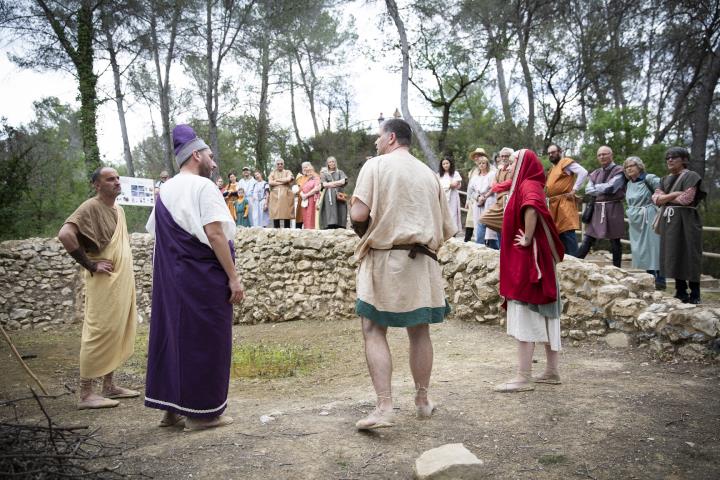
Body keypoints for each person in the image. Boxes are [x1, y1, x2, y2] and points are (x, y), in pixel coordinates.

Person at [350, 118, 457, 430]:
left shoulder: (376, 166)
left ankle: (384, 407)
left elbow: (358, 214)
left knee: (372, 329)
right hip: (422, 261)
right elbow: (447, 229)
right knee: (419, 332)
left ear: (392, 137)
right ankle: (423, 401)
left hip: (385, 257)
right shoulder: (429, 174)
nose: (376, 143)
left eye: (379, 137)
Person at [145, 124, 243, 431]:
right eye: (210, 157)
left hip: (172, 282)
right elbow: (215, 234)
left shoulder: (165, 192)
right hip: (202, 280)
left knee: (173, 338)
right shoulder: (203, 188)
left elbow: (157, 233)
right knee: (206, 341)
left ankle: (171, 409)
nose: (214, 164)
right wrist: (234, 278)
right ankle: (203, 414)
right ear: (196, 155)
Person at [57, 167, 138, 410]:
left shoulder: (119, 210)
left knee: (116, 329)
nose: (116, 182)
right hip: (103, 282)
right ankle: (85, 393)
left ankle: (109, 385)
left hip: (120, 281)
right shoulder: (90, 207)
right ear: (97, 185)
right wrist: (90, 264)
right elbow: (65, 235)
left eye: (117, 178)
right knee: (98, 331)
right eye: (109, 179)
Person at [495, 149, 565, 393]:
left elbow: (532, 207)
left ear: (524, 163)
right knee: (546, 314)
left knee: (527, 312)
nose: (510, 165)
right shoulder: (529, 183)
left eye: (514, 161)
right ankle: (552, 371)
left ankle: (523, 376)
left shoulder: (528, 185)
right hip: (538, 263)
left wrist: (526, 237)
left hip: (530, 263)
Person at [652, 147, 707, 304]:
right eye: (667, 158)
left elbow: (686, 199)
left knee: (690, 254)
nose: (669, 160)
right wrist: (675, 194)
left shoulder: (691, 176)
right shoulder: (664, 179)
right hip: (670, 221)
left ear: (684, 160)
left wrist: (665, 197)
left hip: (688, 220)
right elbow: (655, 199)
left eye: (674, 157)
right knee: (673, 254)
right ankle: (680, 291)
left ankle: (695, 293)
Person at [576, 146, 626, 268]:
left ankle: (617, 269)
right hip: (597, 209)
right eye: (599, 155)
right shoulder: (595, 173)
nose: (602, 157)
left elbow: (612, 188)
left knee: (615, 240)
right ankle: (575, 263)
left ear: (611, 155)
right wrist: (603, 187)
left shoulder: (620, 171)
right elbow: (588, 190)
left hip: (613, 207)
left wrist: (597, 187)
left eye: (604, 154)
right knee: (588, 237)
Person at [624, 157, 665, 290]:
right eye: (627, 167)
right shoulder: (629, 183)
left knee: (654, 246)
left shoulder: (649, 178)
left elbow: (663, 188)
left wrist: (658, 198)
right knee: (641, 249)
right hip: (636, 220)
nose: (629, 168)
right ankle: (649, 277)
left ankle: (660, 279)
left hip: (649, 216)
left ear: (639, 166)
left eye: (632, 165)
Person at [545, 145, 587, 257]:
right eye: (549, 153)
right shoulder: (552, 169)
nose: (550, 155)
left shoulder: (565, 162)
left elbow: (583, 172)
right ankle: (564, 261)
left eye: (553, 152)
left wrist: (574, 190)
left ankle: (575, 262)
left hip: (565, 202)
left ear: (560, 152)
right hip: (553, 204)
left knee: (568, 232)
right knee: (559, 234)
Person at [466, 154, 499, 248]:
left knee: (490, 224)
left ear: (487, 164)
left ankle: (493, 245)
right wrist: (478, 197)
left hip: (489, 199)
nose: (481, 165)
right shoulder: (475, 177)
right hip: (478, 201)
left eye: (483, 163)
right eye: (480, 163)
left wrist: (485, 197)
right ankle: (479, 244)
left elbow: (494, 187)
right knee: (478, 223)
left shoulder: (492, 174)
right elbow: (471, 190)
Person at [463, 148, 488, 241]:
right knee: (470, 221)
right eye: (476, 156)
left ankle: (482, 241)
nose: (477, 158)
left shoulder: (490, 169)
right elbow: (470, 187)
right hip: (473, 198)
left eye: (480, 156)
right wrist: (467, 199)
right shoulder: (473, 170)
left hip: (484, 198)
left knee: (481, 221)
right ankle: (467, 240)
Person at [319, 156, 348, 229]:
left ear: (335, 163)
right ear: (327, 164)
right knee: (330, 210)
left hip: (339, 194)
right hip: (328, 195)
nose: (332, 163)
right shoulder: (324, 174)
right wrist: (337, 183)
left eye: (333, 161)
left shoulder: (340, 172)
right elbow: (324, 184)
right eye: (330, 162)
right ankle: (330, 225)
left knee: (341, 209)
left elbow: (343, 181)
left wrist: (330, 184)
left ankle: (340, 225)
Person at [437, 157, 463, 235]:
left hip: (453, 196)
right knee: (442, 214)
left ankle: (453, 233)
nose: (445, 165)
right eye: (443, 164)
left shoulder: (455, 173)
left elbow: (455, 184)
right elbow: (437, 186)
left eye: (447, 163)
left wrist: (445, 186)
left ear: (450, 163)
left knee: (453, 214)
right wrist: (449, 185)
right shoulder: (438, 175)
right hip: (442, 197)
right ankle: (444, 233)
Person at [268, 159, 294, 228]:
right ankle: (276, 231)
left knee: (286, 213)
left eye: (281, 164)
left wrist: (276, 180)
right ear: (276, 165)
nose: (280, 165)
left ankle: (287, 230)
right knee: (276, 213)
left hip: (286, 194)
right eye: (278, 164)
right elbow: (270, 182)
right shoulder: (272, 173)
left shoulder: (288, 171)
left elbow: (288, 179)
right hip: (275, 195)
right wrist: (283, 181)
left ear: (283, 164)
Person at [299, 162, 322, 229]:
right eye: (306, 170)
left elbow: (316, 189)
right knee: (306, 217)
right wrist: (302, 194)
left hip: (312, 200)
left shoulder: (317, 177)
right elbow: (300, 188)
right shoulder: (307, 178)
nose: (308, 172)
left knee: (311, 216)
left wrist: (306, 195)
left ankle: (312, 230)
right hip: (305, 201)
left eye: (309, 170)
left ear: (312, 169)